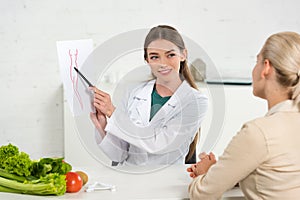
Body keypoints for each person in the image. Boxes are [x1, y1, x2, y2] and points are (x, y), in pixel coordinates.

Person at [187, 31, 300, 199]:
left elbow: (201, 194)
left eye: (257, 61)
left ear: (266, 68)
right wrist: (223, 171)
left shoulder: (259, 133)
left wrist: (205, 175)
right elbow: (277, 179)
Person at [90, 25, 208, 165]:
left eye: (170, 55)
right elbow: (119, 155)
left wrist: (113, 113)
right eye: (155, 57)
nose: (163, 63)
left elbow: (158, 144)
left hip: (167, 181)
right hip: (129, 178)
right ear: (147, 60)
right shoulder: (133, 93)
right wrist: (102, 125)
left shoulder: (196, 101)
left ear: (183, 55)